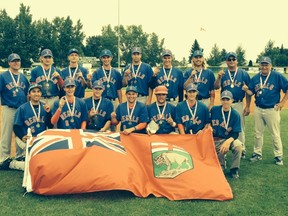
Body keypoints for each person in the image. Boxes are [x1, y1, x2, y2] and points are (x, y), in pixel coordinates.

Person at [246, 57, 288, 165]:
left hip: (272, 109)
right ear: (259, 65)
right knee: (257, 133)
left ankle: (278, 156)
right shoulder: (255, 78)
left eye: (266, 64)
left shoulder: (277, 76)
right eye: (262, 64)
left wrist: (283, 102)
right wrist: (246, 89)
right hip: (259, 108)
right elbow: (251, 92)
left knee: (275, 134)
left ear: (270, 65)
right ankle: (257, 153)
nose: (264, 67)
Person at [214, 52, 251, 159]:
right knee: (223, 126)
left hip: (238, 103)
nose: (231, 61)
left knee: (240, 128)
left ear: (237, 60)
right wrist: (219, 78)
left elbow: (249, 91)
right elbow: (216, 87)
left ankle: (242, 149)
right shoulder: (223, 74)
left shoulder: (243, 73)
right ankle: (222, 148)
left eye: (233, 59)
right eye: (229, 60)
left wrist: (248, 106)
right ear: (226, 61)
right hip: (225, 104)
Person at [11, 84, 53, 170]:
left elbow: (50, 125)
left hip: (39, 140)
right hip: (26, 138)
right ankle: (13, 164)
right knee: (32, 167)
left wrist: (48, 113)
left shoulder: (45, 107)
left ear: (41, 94)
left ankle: (25, 157)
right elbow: (16, 127)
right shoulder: (22, 108)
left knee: (44, 163)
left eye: (38, 91)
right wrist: (22, 136)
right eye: (33, 91)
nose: (36, 94)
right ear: (29, 94)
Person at [0, 53, 30, 170]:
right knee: (6, 133)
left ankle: (20, 156)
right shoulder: (3, 76)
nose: (16, 62)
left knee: (20, 132)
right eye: (13, 61)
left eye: (18, 60)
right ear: (9, 63)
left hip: (21, 109)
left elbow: (28, 94)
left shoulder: (23, 78)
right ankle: (4, 157)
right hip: (9, 108)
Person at [210, 90, 242, 179]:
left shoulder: (235, 115)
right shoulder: (214, 110)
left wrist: (228, 142)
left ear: (232, 100)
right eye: (223, 99)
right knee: (220, 169)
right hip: (216, 139)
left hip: (229, 139)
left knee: (238, 145)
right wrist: (209, 126)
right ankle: (222, 166)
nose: (225, 102)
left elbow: (236, 133)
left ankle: (234, 169)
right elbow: (208, 122)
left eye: (227, 99)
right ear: (221, 100)